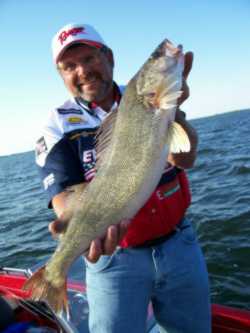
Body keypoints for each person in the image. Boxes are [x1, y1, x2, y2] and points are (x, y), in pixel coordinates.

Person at [35, 23, 211, 333]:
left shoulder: (141, 102)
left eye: (89, 58)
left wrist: (174, 114)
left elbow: (186, 157)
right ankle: (53, 275)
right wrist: (83, 232)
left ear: (109, 57)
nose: (83, 71)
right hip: (114, 261)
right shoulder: (56, 126)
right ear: (61, 75)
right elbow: (63, 196)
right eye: (70, 66)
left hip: (179, 243)